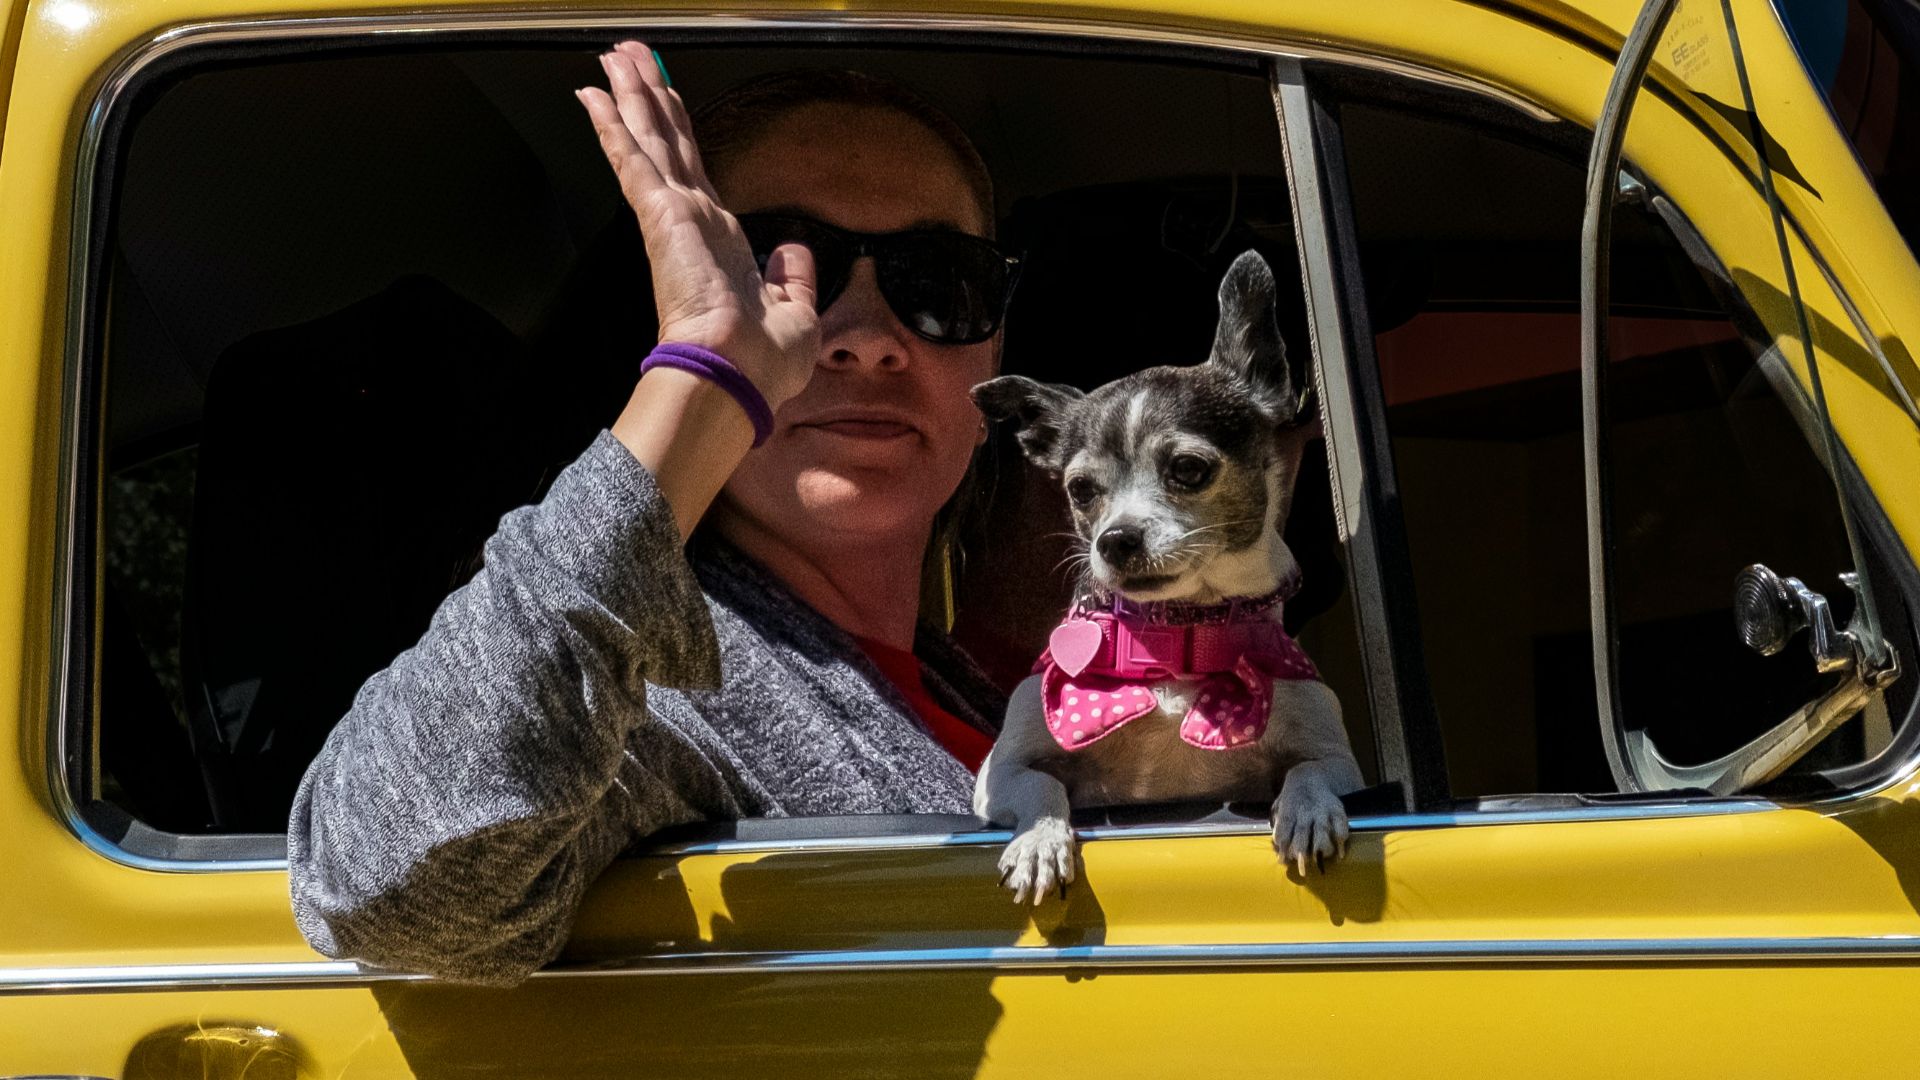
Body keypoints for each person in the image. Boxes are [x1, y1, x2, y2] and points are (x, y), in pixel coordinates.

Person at [287, 40, 1019, 986]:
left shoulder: (988, 690)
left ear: (994, 352)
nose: (868, 339)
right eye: (778, 272)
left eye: (940, 283)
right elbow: (391, 887)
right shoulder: (659, 693)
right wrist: (711, 373)